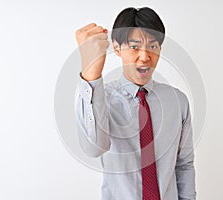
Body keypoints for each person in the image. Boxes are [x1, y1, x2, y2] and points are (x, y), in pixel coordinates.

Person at [75, 7, 196, 200]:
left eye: (153, 46)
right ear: (117, 48)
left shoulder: (178, 102)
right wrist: (91, 73)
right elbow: (93, 148)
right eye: (134, 47)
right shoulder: (100, 98)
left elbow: (184, 165)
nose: (145, 56)